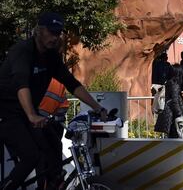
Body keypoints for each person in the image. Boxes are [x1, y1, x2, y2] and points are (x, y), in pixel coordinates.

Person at [0, 12, 109, 190]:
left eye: (58, 33)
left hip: (28, 114)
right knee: (31, 156)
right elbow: (21, 84)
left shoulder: (51, 57)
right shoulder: (22, 51)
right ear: (39, 31)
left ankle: (51, 184)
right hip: (7, 113)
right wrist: (32, 115)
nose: (55, 37)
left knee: (52, 146)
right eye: (51, 32)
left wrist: (98, 107)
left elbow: (72, 84)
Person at [155, 64, 183, 138]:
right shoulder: (174, 84)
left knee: (171, 137)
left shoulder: (169, 82)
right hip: (173, 115)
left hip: (170, 114)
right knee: (175, 137)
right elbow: (174, 101)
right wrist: (179, 114)